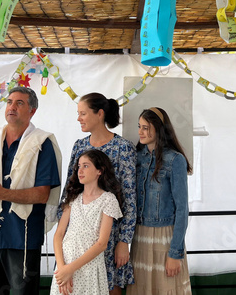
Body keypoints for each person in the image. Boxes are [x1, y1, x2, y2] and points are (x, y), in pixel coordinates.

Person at [0, 86, 62, 295]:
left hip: (23, 238)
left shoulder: (42, 143)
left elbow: (43, 194)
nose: (12, 107)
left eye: (20, 103)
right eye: (9, 102)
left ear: (32, 111)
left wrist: (1, 194)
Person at [59, 92, 136, 295]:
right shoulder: (79, 147)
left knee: (110, 287)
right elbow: (70, 189)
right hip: (78, 239)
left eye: (83, 113)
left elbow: (129, 198)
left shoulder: (124, 148)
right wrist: (65, 233)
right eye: (78, 113)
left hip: (109, 237)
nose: (78, 118)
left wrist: (124, 241)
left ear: (99, 114)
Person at [127, 107, 192, 295]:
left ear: (159, 128)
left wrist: (175, 253)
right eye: (139, 126)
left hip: (166, 237)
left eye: (146, 127)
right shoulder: (136, 157)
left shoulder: (175, 160)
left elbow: (182, 209)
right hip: (139, 237)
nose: (140, 132)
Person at [51, 149, 123, 295]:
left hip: (89, 266)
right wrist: (62, 268)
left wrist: (70, 269)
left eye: (86, 166)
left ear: (100, 171)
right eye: (79, 166)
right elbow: (58, 235)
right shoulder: (72, 198)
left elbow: (102, 243)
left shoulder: (108, 200)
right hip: (65, 263)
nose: (80, 170)